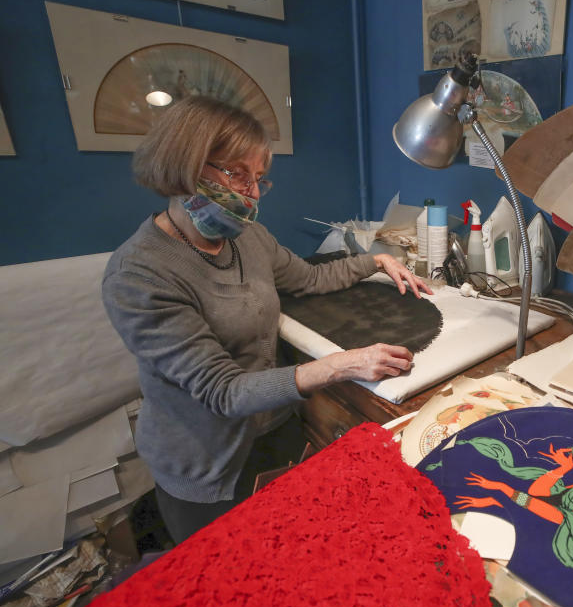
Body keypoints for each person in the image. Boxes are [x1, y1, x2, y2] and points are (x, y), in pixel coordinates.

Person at [102, 96, 432, 543]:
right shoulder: (140, 273)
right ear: (184, 163)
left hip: (277, 429)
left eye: (258, 178)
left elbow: (309, 278)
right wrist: (343, 364)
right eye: (235, 173)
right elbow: (223, 390)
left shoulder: (250, 237)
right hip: (208, 465)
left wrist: (373, 261)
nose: (252, 194)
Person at [454, 443, 573, 568]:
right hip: (544, 512)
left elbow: (561, 518)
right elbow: (542, 495)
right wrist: (564, 469)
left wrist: (505, 494)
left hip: (571, 539)